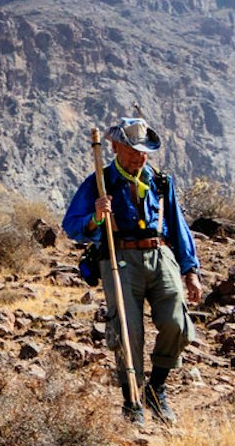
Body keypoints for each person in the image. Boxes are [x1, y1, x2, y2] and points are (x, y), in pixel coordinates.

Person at [62, 115, 204, 425]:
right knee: (128, 332)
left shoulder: (161, 181)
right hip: (120, 259)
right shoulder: (100, 181)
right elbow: (72, 226)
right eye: (132, 150)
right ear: (114, 147)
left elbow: (178, 227)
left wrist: (190, 270)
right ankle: (132, 400)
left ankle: (157, 387)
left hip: (160, 254)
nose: (139, 156)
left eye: (143, 151)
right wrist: (97, 217)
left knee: (176, 323)